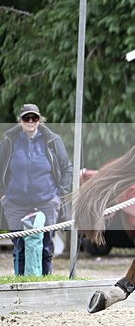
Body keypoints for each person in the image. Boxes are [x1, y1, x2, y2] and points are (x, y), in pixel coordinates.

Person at [0, 103, 73, 275]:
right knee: (20, 247)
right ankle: (20, 286)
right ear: (20, 121)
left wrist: (59, 195)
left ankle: (45, 282)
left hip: (46, 202)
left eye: (34, 118)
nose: (30, 121)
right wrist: (3, 196)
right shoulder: (8, 142)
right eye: (27, 118)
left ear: (40, 120)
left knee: (46, 247)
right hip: (16, 203)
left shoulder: (52, 140)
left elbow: (67, 168)